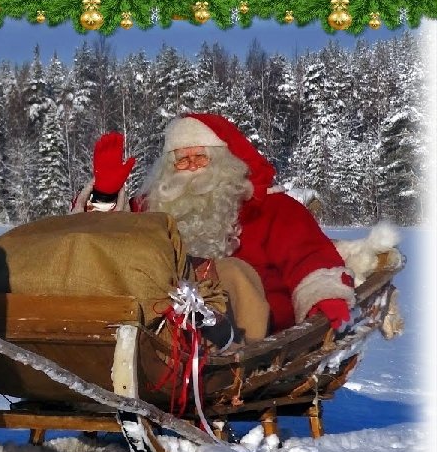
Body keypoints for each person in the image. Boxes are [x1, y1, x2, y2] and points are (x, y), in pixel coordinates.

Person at [75, 113, 355, 336]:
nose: (193, 167)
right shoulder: (150, 210)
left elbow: (309, 255)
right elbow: (104, 248)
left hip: (250, 338)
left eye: (201, 157)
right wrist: (105, 195)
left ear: (225, 162)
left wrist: (324, 298)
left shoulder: (271, 208)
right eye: (182, 160)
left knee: (232, 272)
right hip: (156, 334)